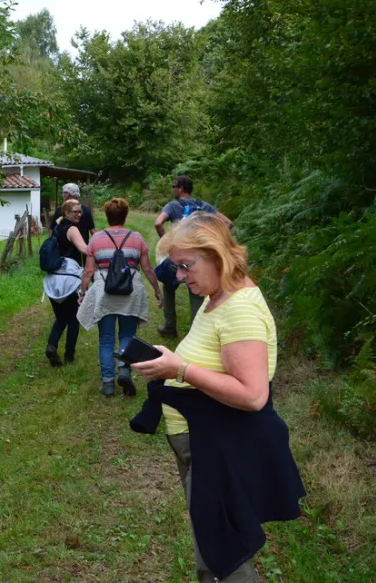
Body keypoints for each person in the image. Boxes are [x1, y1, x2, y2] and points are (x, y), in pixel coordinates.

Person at [133, 212, 304, 582]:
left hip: (217, 445)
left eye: (185, 265)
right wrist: (172, 364)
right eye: (175, 267)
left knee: (223, 554)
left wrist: (180, 369)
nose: (180, 276)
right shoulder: (218, 296)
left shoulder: (239, 309)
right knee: (212, 544)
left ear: (216, 255)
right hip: (205, 440)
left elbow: (253, 395)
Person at [76, 198, 162, 397]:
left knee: (106, 339)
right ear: (125, 215)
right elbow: (147, 269)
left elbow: (88, 271)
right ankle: (124, 370)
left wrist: (83, 292)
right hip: (130, 292)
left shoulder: (96, 239)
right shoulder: (137, 238)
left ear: (107, 216)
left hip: (104, 293)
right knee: (127, 335)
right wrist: (157, 290)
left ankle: (108, 383)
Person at [153, 175, 232, 339]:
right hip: (198, 259)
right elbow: (228, 223)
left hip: (177, 257)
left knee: (168, 287)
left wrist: (168, 240)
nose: (172, 189)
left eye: (174, 186)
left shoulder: (173, 205)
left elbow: (158, 223)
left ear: (181, 188)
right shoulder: (204, 206)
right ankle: (194, 332)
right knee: (196, 293)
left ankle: (169, 327)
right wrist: (210, 242)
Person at [43, 199, 87, 367]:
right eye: (76, 211)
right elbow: (84, 249)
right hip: (69, 279)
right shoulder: (72, 229)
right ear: (67, 213)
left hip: (53, 277)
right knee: (74, 317)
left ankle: (51, 346)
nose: (79, 214)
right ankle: (69, 355)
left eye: (80, 211)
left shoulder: (56, 228)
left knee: (61, 317)